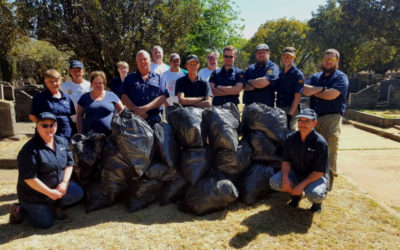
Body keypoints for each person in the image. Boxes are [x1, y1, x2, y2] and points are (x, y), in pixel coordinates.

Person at [9, 112, 84, 229]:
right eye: (44, 125)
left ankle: (54, 205)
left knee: (78, 193)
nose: (49, 128)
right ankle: (19, 210)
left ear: (56, 126)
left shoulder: (62, 142)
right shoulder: (29, 150)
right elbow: (30, 178)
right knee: (45, 224)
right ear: (38, 127)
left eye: (52, 125)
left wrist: (64, 183)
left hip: (57, 188)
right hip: (35, 195)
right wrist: (49, 193)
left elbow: (69, 164)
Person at [302, 48, 349, 190]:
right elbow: (305, 89)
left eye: (331, 59)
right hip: (314, 117)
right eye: (326, 59)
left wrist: (315, 91)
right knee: (312, 149)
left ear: (337, 61)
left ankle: (327, 183)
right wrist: (323, 89)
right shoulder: (316, 77)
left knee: (330, 149)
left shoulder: (341, 77)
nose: (328, 61)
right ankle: (311, 179)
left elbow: (332, 95)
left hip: (332, 117)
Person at [269, 108, 329, 213]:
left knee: (315, 194)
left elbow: (319, 171)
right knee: (275, 182)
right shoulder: (291, 138)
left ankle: (317, 204)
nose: (302, 124)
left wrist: (301, 185)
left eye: (307, 121)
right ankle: (295, 196)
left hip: (315, 177)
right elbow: (286, 161)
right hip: (297, 172)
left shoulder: (320, 143)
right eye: (300, 120)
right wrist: (285, 178)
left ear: (314, 123)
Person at [121, 50, 168, 126]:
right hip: (134, 119)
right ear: (137, 62)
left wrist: (145, 109)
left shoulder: (160, 78)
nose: (143, 62)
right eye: (140, 60)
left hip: (155, 120)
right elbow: (124, 97)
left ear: (150, 61)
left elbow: (162, 98)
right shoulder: (129, 78)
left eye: (145, 59)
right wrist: (136, 110)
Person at [29, 69, 75, 139]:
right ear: (46, 82)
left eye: (56, 81)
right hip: (48, 136)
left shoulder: (66, 97)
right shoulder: (40, 98)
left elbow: (70, 117)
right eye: (50, 81)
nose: (54, 84)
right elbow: (32, 116)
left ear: (60, 81)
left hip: (66, 135)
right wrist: (44, 127)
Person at [76, 71, 124, 135]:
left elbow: (122, 111)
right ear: (91, 84)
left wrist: (116, 119)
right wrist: (80, 133)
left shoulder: (111, 95)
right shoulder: (84, 97)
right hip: (89, 136)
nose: (98, 85)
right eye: (95, 83)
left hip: (110, 136)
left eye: (100, 83)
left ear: (104, 84)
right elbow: (79, 116)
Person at [276, 47, 304, 131]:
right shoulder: (280, 73)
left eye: (289, 56)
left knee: (290, 132)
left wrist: (290, 115)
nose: (286, 59)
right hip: (280, 107)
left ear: (294, 58)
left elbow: (297, 97)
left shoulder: (297, 75)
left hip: (291, 109)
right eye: (285, 56)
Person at [60, 60, 91, 131]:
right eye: (74, 71)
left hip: (87, 122)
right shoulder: (64, 87)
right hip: (70, 123)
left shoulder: (90, 86)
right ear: (70, 72)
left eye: (79, 70)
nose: (77, 73)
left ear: (83, 71)